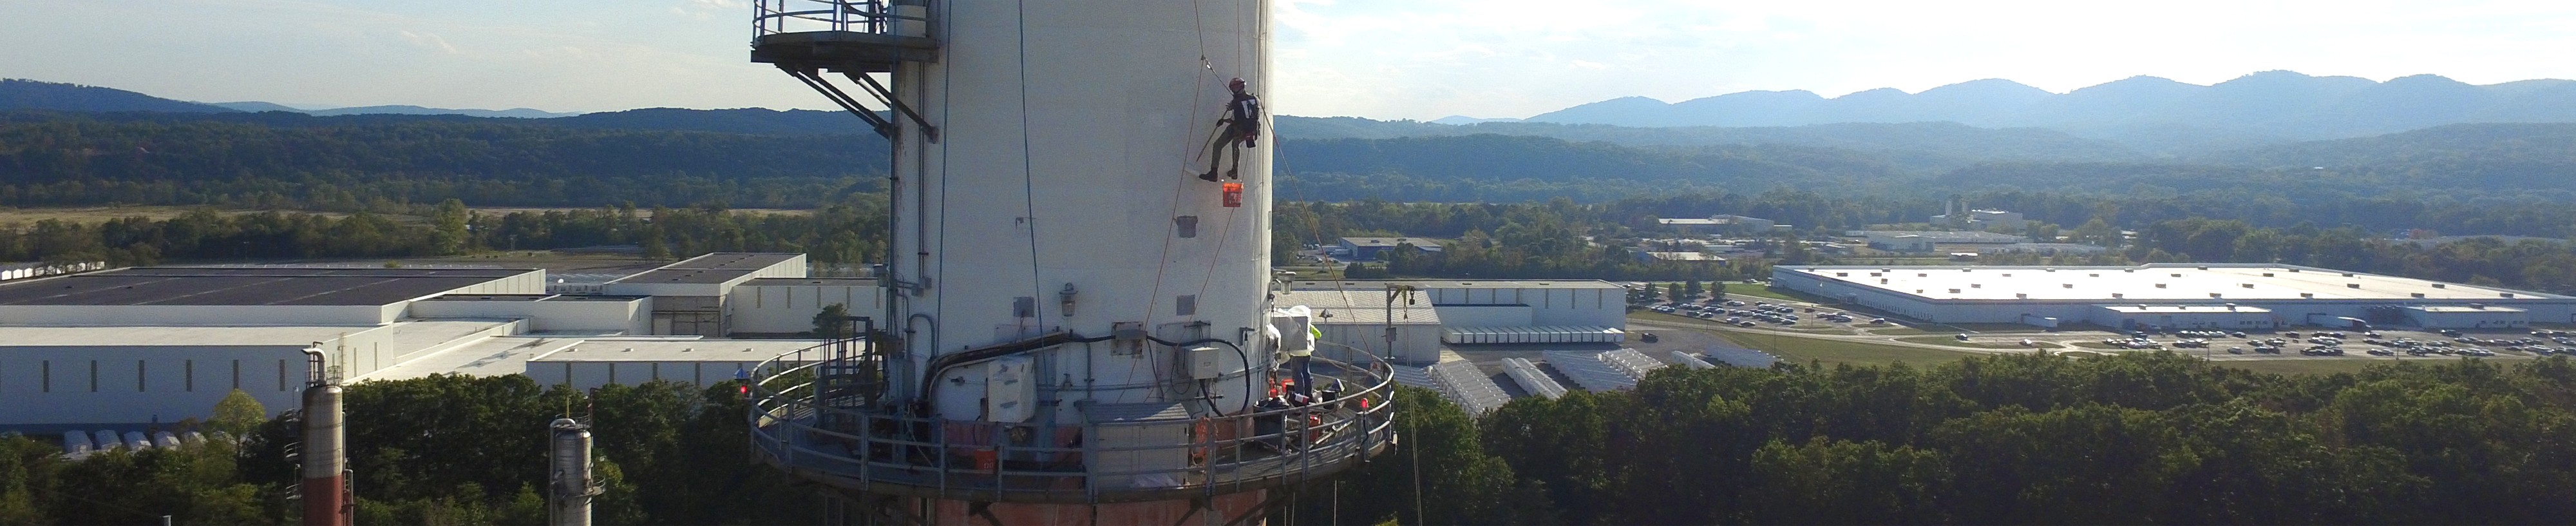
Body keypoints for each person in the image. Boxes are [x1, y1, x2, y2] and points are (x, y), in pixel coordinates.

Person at [1199, 77, 1262, 182]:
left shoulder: (1236, 102)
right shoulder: (1255, 99)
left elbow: (1234, 120)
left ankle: (1214, 172)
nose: (1233, 90)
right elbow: (1254, 114)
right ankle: (1234, 170)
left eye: (1234, 88)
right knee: (1236, 144)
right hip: (1252, 129)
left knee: (1218, 145)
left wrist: (1223, 120)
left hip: (1238, 129)